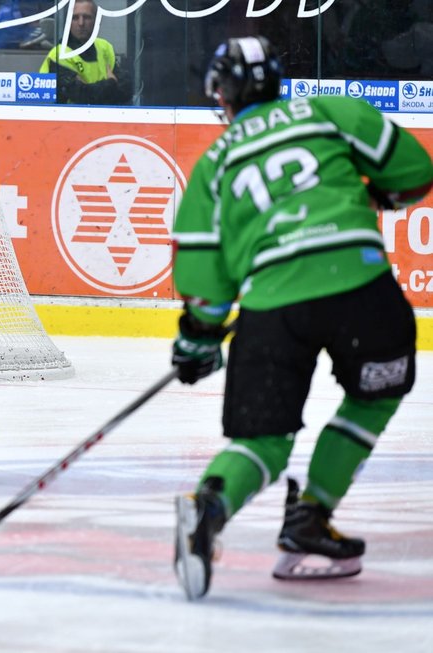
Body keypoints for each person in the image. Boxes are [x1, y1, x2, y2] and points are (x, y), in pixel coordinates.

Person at [170, 36, 433, 600]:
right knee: (374, 394)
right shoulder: (329, 111)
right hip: (360, 288)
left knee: (262, 442)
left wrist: (197, 341)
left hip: (271, 309)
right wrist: (380, 198)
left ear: (225, 92)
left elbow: (203, 282)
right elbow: (414, 171)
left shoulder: (214, 163)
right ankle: (311, 515)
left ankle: (209, 505)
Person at [38, 0, 126, 104]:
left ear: (97, 20)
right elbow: (81, 96)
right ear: (68, 22)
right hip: (67, 118)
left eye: (87, 17)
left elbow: (126, 90)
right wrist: (111, 83)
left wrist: (91, 89)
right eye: (75, 18)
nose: (81, 23)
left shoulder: (104, 47)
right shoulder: (59, 54)